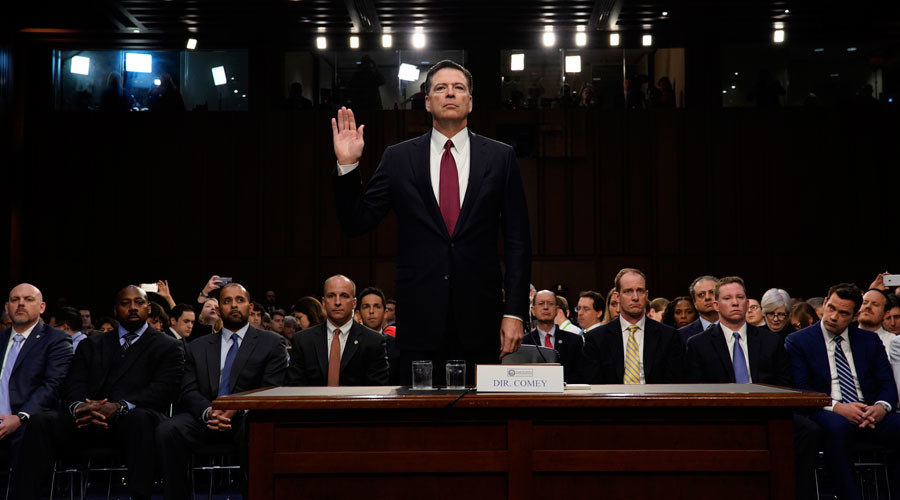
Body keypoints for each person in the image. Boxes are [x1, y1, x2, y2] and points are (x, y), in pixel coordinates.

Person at [331, 59, 531, 386]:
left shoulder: (500, 157)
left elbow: (518, 241)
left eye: (458, 88)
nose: (450, 93)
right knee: (419, 414)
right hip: (419, 318)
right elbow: (356, 222)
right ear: (427, 101)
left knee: (481, 413)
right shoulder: (398, 158)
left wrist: (514, 311)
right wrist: (348, 165)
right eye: (440, 88)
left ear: (470, 101)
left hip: (482, 318)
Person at [16, 285, 183, 500]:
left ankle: (140, 496)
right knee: (41, 422)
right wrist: (81, 407)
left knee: (139, 419)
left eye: (139, 303)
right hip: (88, 417)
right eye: (125, 303)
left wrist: (120, 407)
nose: (133, 308)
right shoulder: (92, 343)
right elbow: (73, 383)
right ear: (115, 310)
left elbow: (164, 390)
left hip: (134, 418)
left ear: (148, 308)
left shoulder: (168, 346)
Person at [684, 277, 818, 500]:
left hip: (768, 412)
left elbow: (784, 385)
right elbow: (696, 390)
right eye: (728, 298)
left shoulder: (771, 341)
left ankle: (791, 492)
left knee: (809, 431)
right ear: (716, 305)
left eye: (740, 297)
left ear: (747, 303)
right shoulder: (698, 344)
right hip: (721, 415)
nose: (735, 302)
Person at [156, 283, 287, 500]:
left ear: (250, 307)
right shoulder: (197, 347)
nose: (234, 305)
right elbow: (188, 390)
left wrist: (236, 408)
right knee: (168, 430)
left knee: (256, 430)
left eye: (239, 300)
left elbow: (271, 387)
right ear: (218, 310)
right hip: (206, 415)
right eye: (227, 301)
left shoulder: (271, 343)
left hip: (246, 417)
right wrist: (209, 412)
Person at [785, 283, 900, 500]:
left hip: (868, 411)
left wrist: (880, 408)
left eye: (843, 313)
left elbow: (887, 384)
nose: (833, 316)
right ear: (825, 302)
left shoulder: (868, 340)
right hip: (826, 409)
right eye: (831, 308)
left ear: (855, 316)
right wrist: (839, 408)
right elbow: (801, 388)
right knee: (838, 427)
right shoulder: (798, 341)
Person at [0, 284, 73, 477]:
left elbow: (53, 385)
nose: (21, 304)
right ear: (7, 307)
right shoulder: (0, 338)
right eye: (15, 300)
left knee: (32, 431)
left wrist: (20, 417)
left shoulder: (56, 339)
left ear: (42, 307)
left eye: (28, 299)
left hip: (28, 420)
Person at [579, 269, 684, 384]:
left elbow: (674, 384)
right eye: (628, 291)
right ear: (617, 297)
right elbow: (593, 385)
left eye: (640, 291)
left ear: (646, 295)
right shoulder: (596, 338)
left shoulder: (669, 336)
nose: (635, 297)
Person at [288, 275, 389, 386]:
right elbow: (295, 387)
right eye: (331, 296)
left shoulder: (373, 341)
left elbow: (376, 389)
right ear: (323, 302)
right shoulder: (302, 340)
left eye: (344, 296)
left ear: (354, 303)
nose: (337, 302)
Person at [524, 290, 583, 382]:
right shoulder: (524, 342)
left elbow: (580, 374)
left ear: (556, 310)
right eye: (541, 303)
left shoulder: (574, 340)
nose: (546, 307)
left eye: (550, 304)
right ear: (533, 310)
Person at [678, 275, 719, 344]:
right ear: (694, 303)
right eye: (701, 294)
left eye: (712, 292)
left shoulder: (736, 328)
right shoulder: (681, 335)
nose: (707, 297)